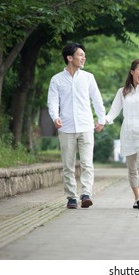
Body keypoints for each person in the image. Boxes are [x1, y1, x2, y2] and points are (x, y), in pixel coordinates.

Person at [47, 42, 106, 209]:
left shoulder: (88, 77)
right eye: (80, 55)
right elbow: (52, 101)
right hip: (66, 127)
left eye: (84, 55)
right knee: (68, 165)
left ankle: (86, 194)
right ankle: (71, 197)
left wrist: (101, 120)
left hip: (86, 126)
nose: (83, 57)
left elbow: (97, 99)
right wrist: (55, 117)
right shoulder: (56, 80)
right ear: (69, 58)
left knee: (87, 164)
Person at [105, 59, 139, 210]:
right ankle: (136, 197)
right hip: (127, 133)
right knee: (132, 169)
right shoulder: (122, 92)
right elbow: (113, 112)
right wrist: (102, 121)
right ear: (132, 71)